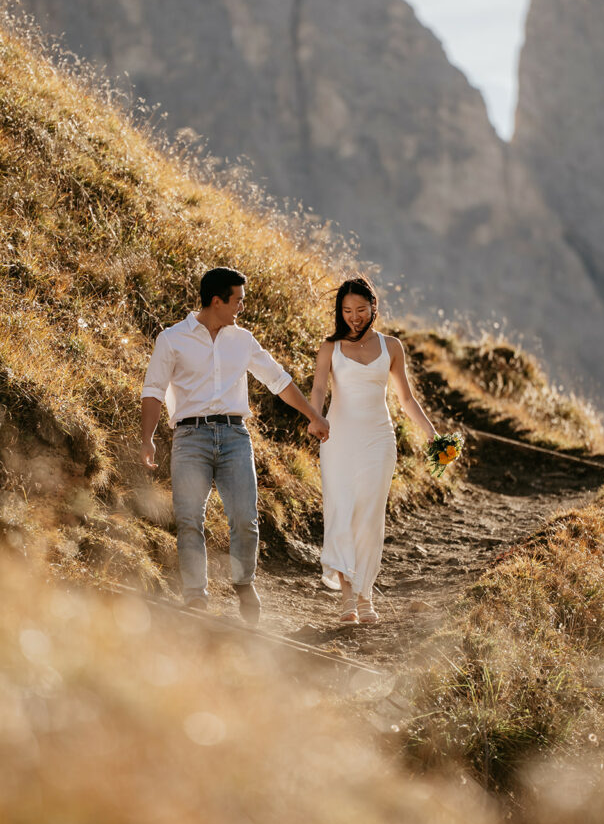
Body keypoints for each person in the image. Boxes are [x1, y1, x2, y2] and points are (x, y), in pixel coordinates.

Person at [140, 267, 329, 624]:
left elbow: (278, 380)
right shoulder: (172, 339)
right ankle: (196, 598)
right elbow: (152, 390)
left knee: (244, 518)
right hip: (189, 438)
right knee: (189, 519)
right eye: (238, 300)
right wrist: (147, 438)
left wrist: (312, 416)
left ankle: (244, 583)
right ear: (217, 301)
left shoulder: (243, 340)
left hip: (234, 437)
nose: (242, 307)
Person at [309, 276, 435, 625]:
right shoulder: (329, 347)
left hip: (378, 441)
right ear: (340, 311)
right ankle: (348, 599)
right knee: (343, 512)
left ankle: (365, 597)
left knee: (369, 517)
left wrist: (432, 434)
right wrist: (315, 417)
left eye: (361, 310)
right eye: (347, 310)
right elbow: (319, 388)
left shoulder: (391, 346)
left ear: (373, 308)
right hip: (338, 441)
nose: (354, 316)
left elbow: (406, 398)